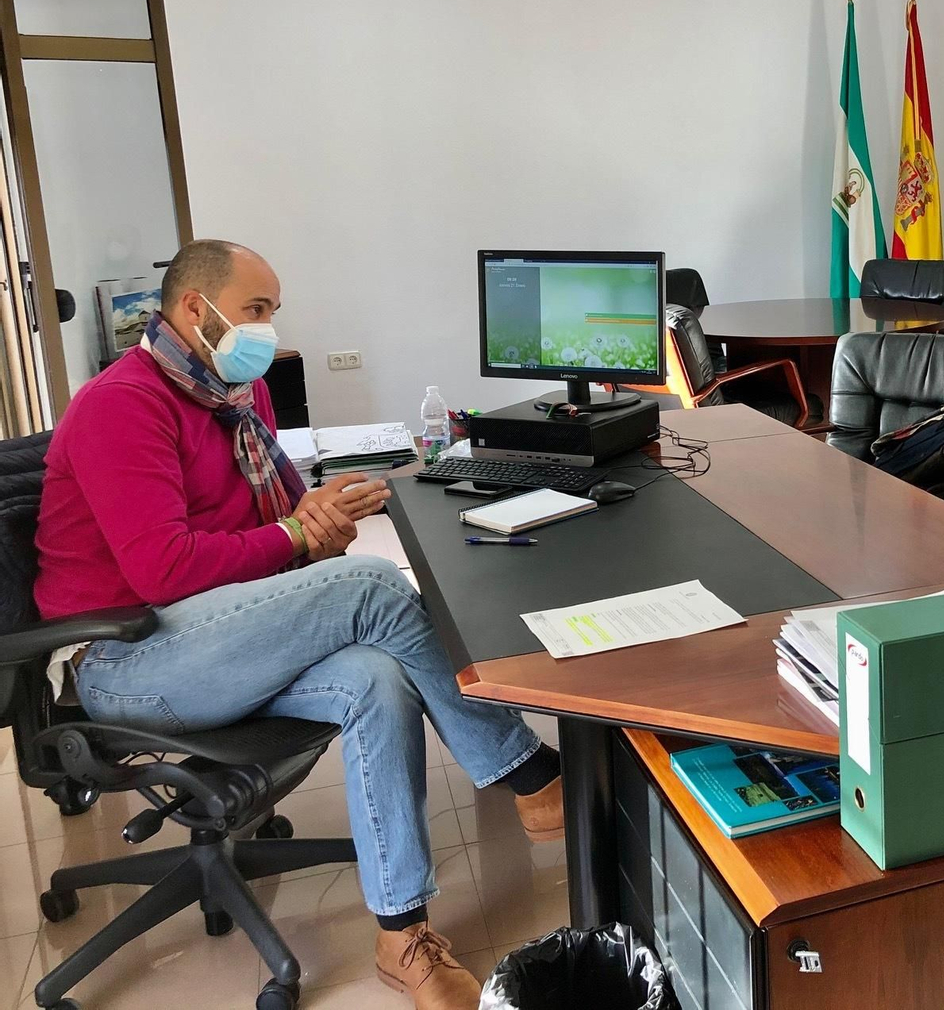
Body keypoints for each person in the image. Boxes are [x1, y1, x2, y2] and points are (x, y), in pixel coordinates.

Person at [35, 239, 560, 1010]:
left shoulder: (238, 396)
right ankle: (527, 774)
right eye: (254, 311)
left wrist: (315, 515)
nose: (268, 330)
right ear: (194, 310)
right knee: (373, 585)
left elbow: (278, 508)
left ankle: (401, 935)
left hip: (214, 635)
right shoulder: (123, 404)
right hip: (128, 658)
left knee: (377, 677)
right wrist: (296, 539)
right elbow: (164, 570)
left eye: (272, 312)